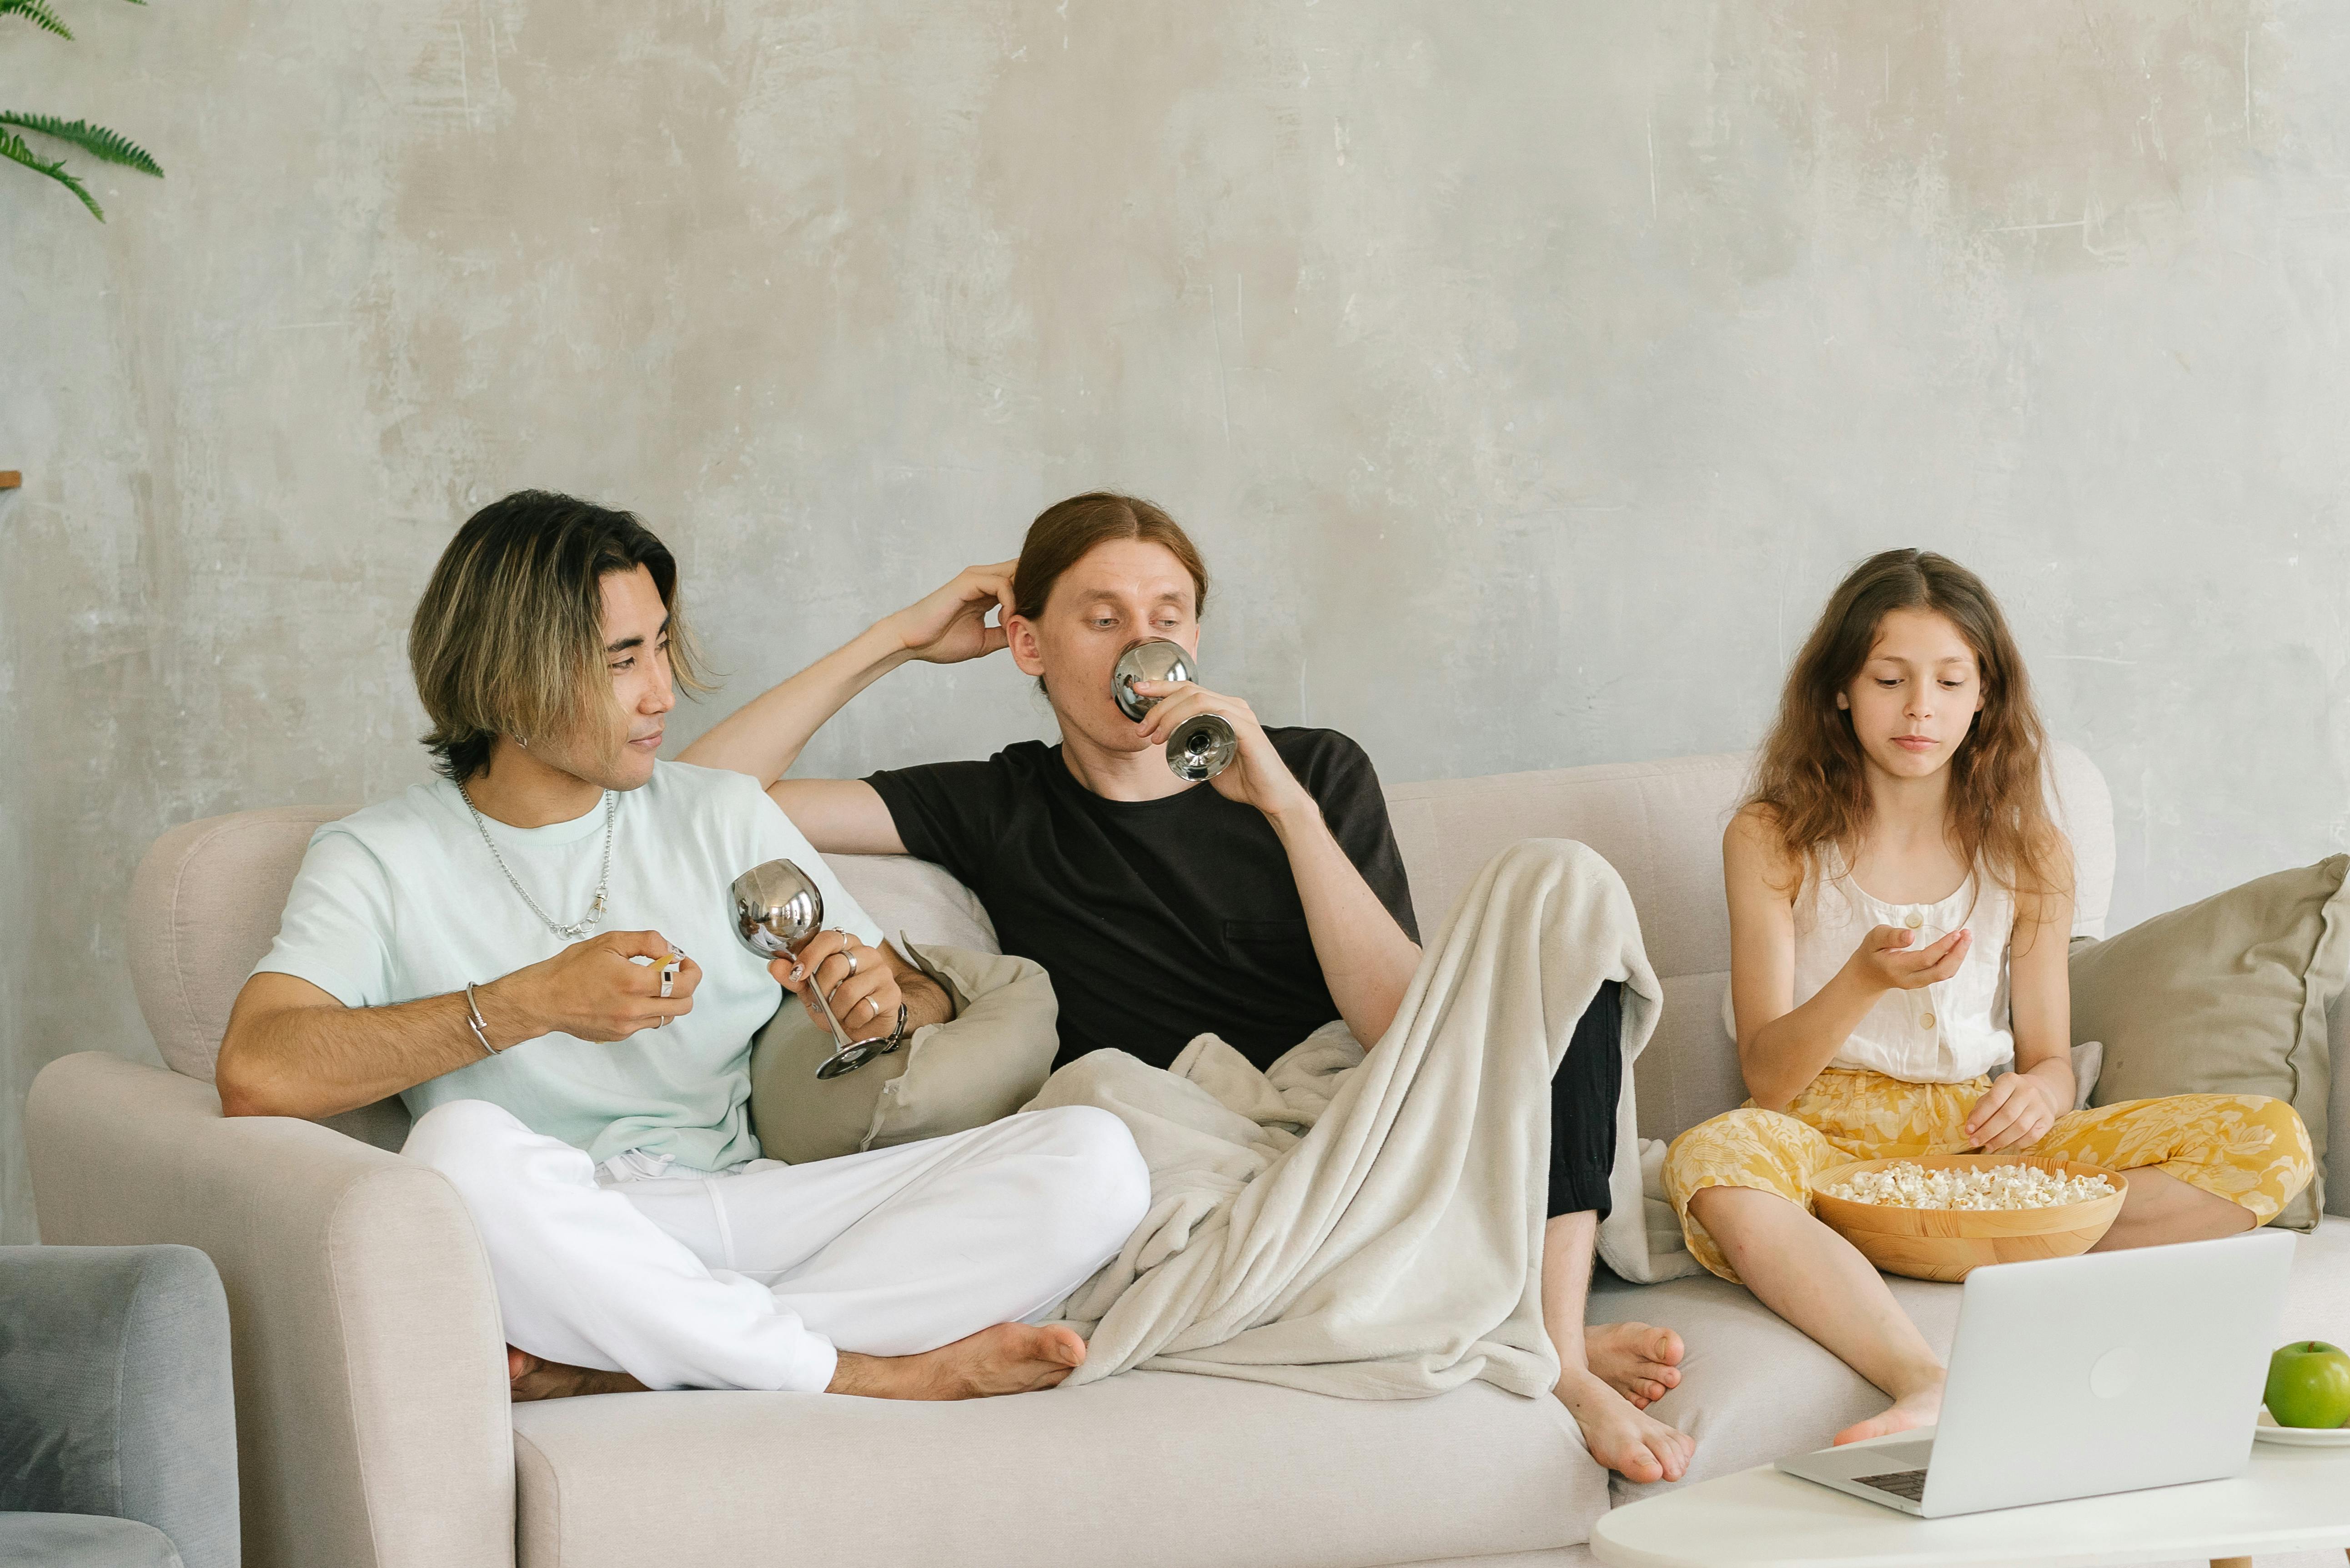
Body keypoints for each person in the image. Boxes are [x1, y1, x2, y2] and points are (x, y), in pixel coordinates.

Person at [679, 491, 1694, 1482]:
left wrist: (1281, 805)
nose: (1138, 645)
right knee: (1101, 1098)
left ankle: (1553, 1341)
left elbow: (1400, 1028)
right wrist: (896, 638)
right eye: (1102, 617)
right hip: (1198, 1160)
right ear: (1029, 645)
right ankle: (1493, 1308)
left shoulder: (1311, 769)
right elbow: (707, 797)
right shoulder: (996, 801)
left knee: (1562, 881)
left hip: (1369, 1125)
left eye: (1166, 618)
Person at [213, 491, 1150, 1403]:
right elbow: (257, 1070)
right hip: (572, 1234)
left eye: (661, 643)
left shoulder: (722, 811)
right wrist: (528, 1003)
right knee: (456, 1151)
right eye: (624, 659)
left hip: (755, 1201)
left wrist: (889, 995)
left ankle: (638, 1362)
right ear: (507, 683)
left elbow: (904, 989)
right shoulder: (380, 855)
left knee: (1096, 1156)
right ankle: (857, 1370)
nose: (664, 690)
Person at [1665, 548, 2315, 1445]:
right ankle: (1924, 1376)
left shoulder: (2029, 849)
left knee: (2271, 1140)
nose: (1919, 707)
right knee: (1713, 1159)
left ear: (1984, 698)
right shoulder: (1771, 836)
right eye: (1889, 677)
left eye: (1947, 680)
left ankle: (1965, 1239)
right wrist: (1861, 977)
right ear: (1840, 691)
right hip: (1828, 1140)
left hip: (1984, 1149)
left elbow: (2049, 1056)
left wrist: (2042, 1092)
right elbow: (1767, 1079)